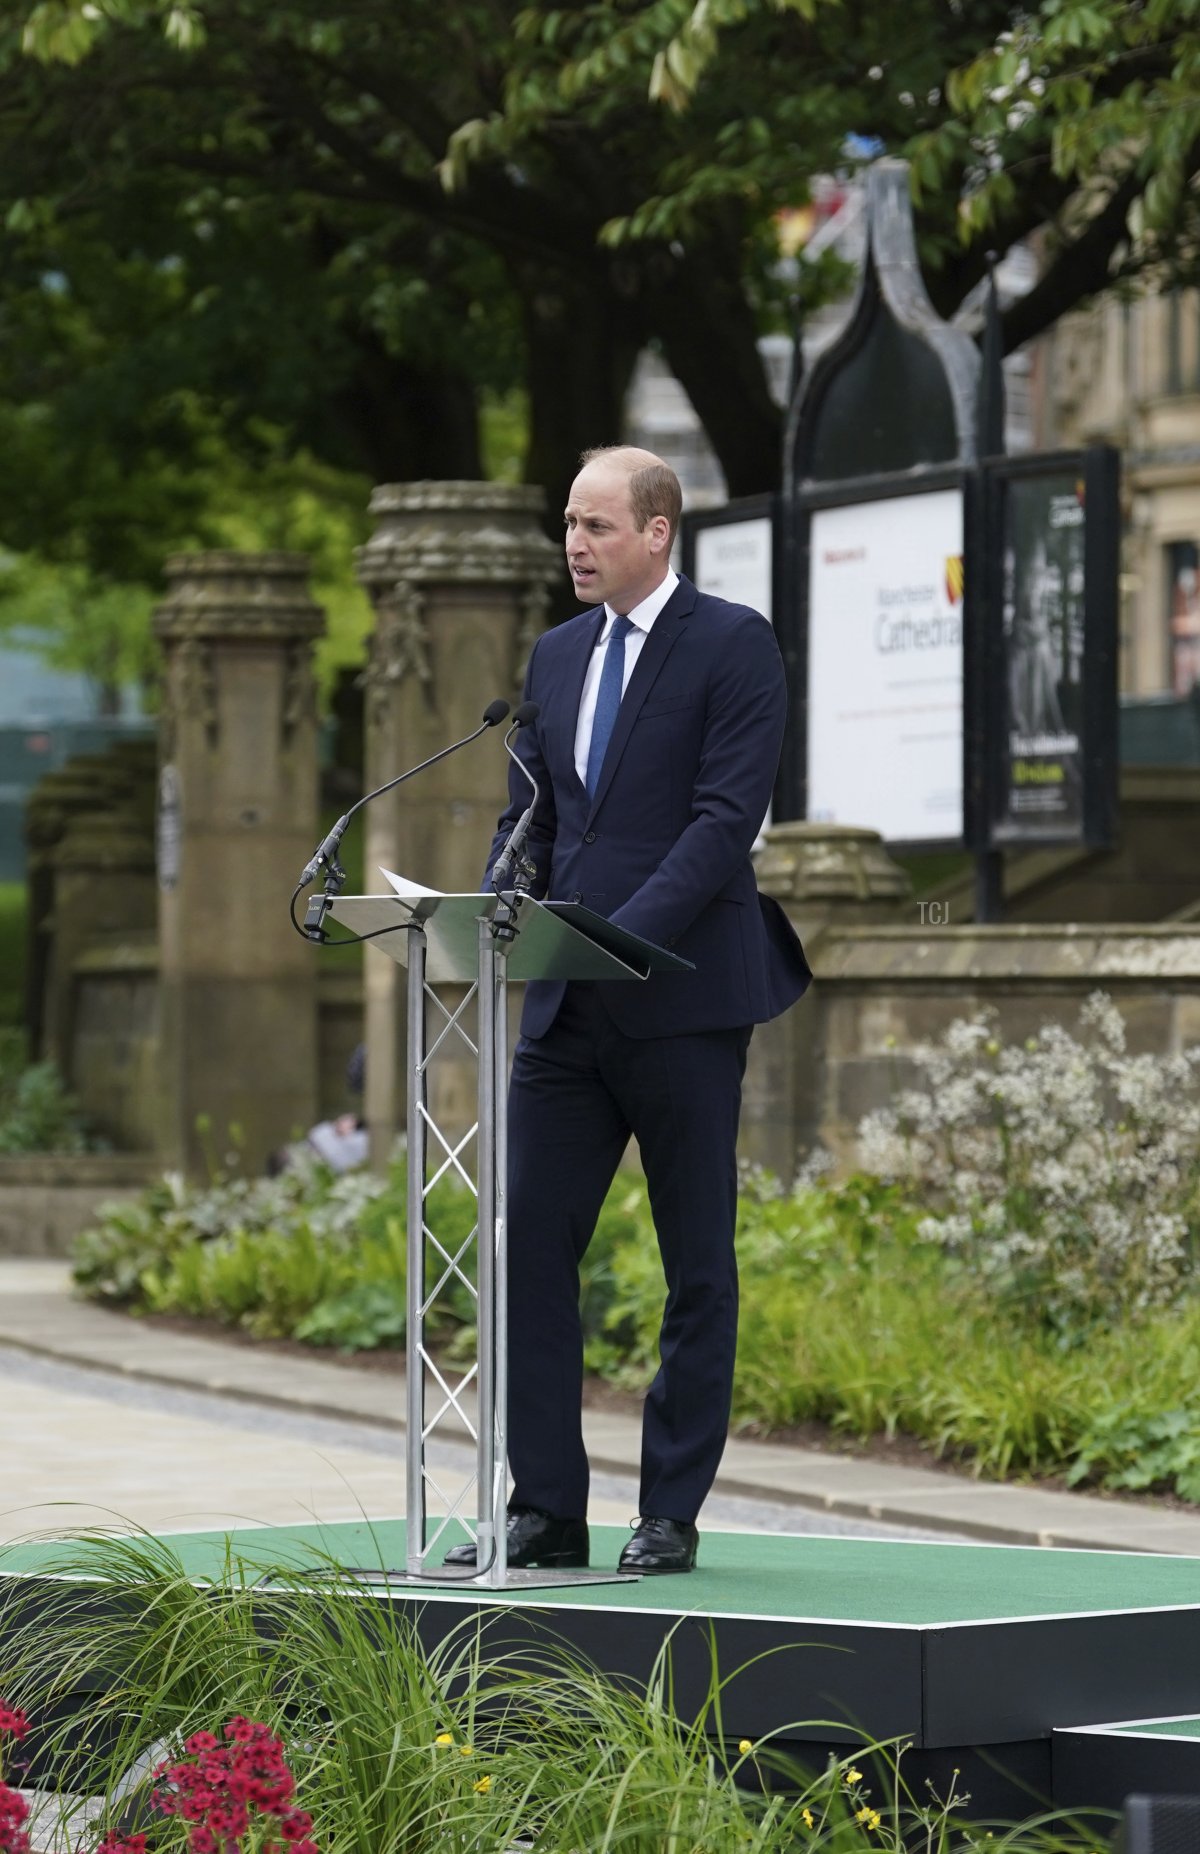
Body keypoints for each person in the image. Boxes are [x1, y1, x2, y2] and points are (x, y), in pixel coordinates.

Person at [445, 445, 810, 1575]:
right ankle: (545, 1510)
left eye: (597, 526)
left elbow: (720, 822)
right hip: (565, 1005)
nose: (575, 543)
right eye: (569, 523)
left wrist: (618, 935)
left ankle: (669, 1513)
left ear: (659, 532)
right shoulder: (554, 657)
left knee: (695, 1261)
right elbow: (537, 818)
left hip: (685, 1002)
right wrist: (501, 896)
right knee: (530, 1252)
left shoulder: (733, 645)